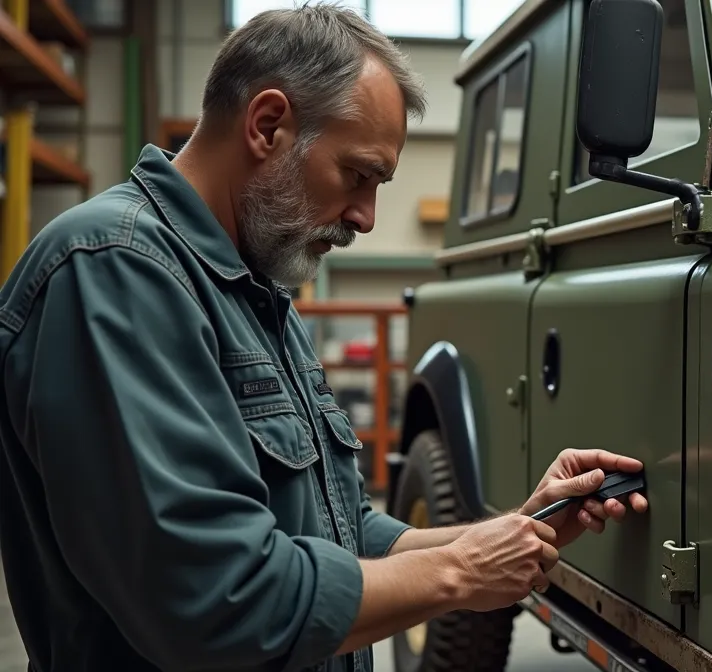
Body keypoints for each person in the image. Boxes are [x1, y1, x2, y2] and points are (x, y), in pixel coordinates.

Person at [0, 5, 648, 671]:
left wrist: (511, 530)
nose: (366, 217)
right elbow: (222, 601)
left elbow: (337, 528)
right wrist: (457, 572)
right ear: (268, 125)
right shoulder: (116, 273)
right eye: (359, 175)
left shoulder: (254, 292)